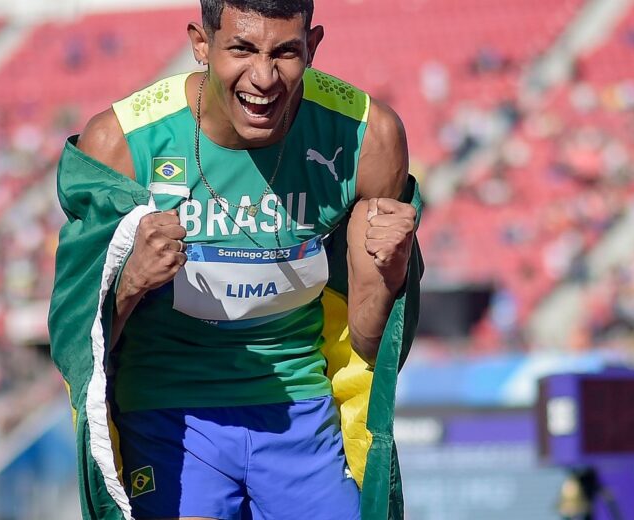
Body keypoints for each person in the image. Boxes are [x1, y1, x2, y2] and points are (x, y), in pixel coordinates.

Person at [48, 1, 423, 519]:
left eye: (286, 52)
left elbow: (367, 345)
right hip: (168, 415)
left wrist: (392, 272)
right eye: (242, 49)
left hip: (300, 415)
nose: (264, 78)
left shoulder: (366, 137)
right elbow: (77, 349)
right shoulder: (121, 144)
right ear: (201, 43)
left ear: (312, 46)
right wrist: (129, 281)